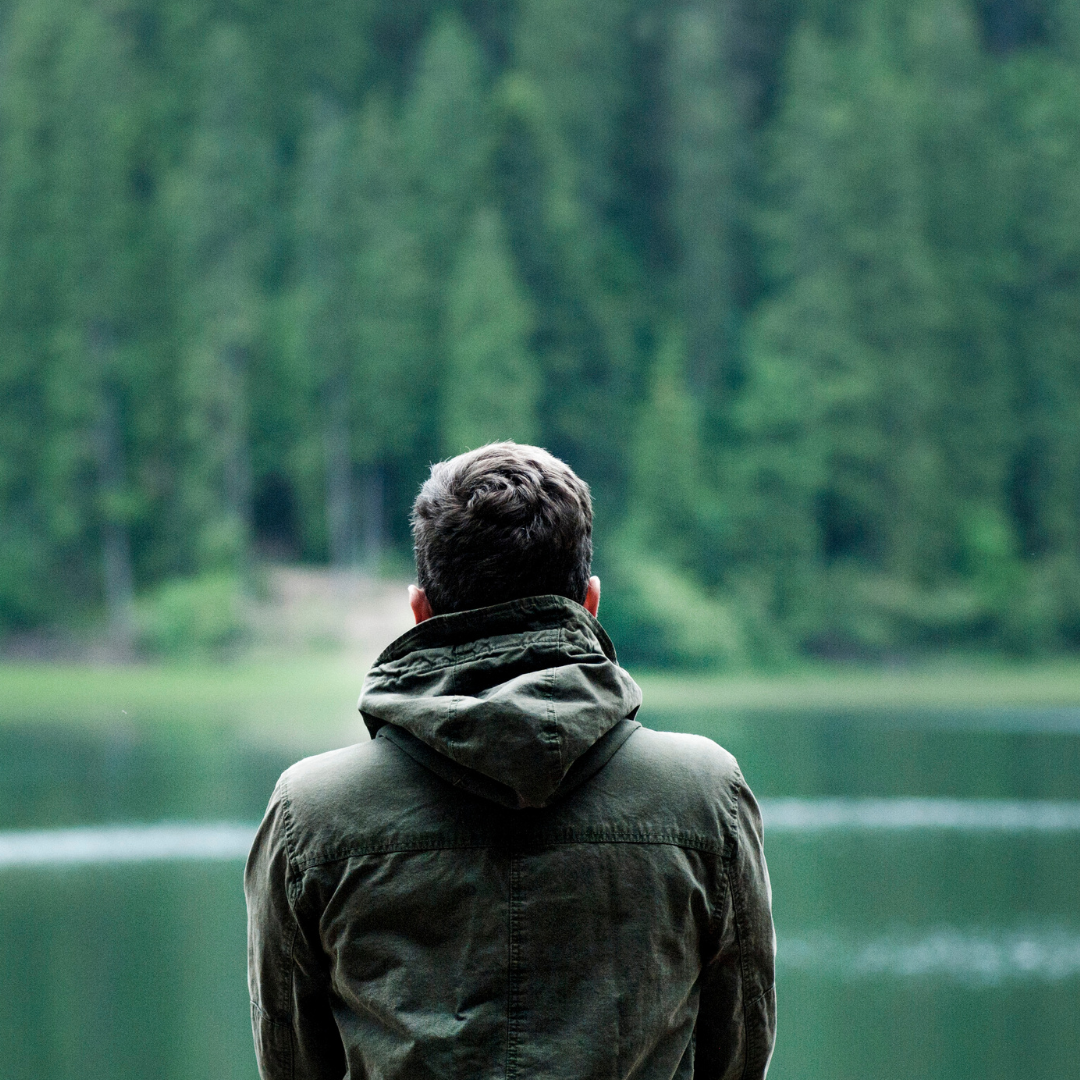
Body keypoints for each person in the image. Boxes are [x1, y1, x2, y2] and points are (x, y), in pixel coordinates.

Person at [245, 441, 776, 1080]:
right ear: (590, 602)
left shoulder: (311, 813)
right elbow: (737, 1053)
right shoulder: (706, 795)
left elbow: (292, 1062)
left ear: (419, 610)